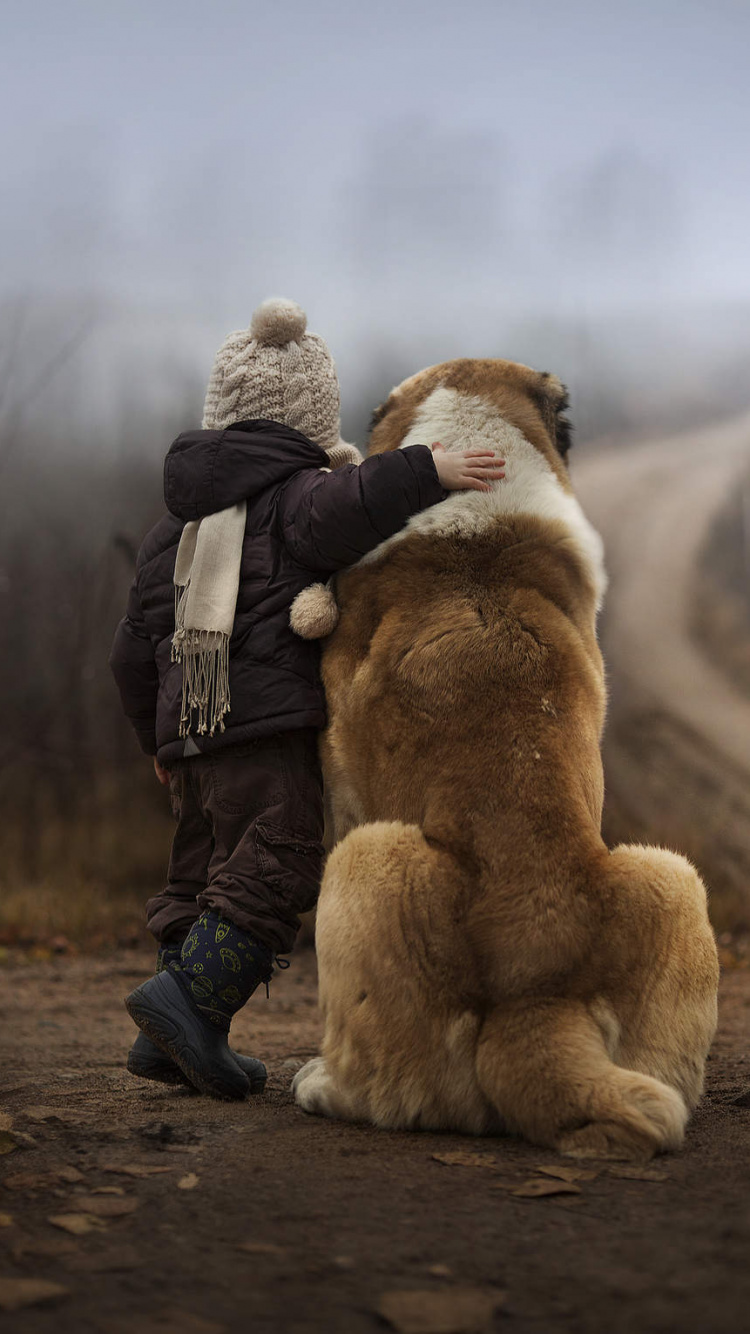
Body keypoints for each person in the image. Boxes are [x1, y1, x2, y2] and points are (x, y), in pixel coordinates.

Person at [110, 297, 505, 1100]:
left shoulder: (170, 532)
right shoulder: (295, 499)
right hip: (262, 730)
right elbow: (351, 503)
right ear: (309, 421)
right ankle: (187, 1004)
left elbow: (130, 649)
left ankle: (179, 1038)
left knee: (201, 878)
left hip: (189, 738)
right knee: (278, 862)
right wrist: (431, 468)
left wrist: (156, 741)